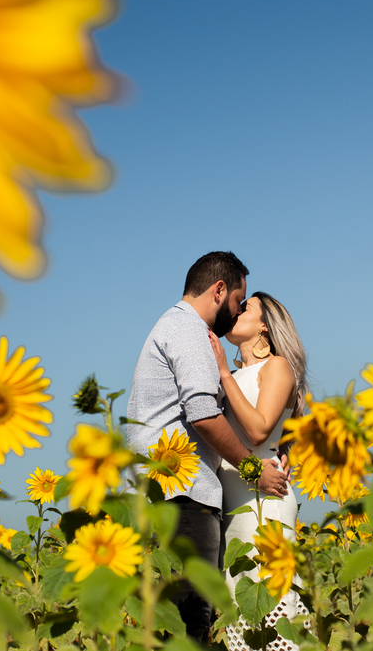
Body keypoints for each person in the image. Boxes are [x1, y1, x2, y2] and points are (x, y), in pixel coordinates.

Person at [125, 252, 290, 643]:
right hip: (182, 495)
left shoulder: (176, 327)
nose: (235, 313)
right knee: (188, 626)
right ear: (219, 291)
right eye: (237, 301)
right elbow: (202, 414)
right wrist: (254, 469)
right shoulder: (189, 330)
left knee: (177, 623)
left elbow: (271, 411)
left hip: (169, 493)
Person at [209, 292, 310, 651]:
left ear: (264, 325)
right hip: (231, 505)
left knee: (274, 620)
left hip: (264, 504)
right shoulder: (235, 375)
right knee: (241, 621)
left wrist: (222, 372)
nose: (234, 311)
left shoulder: (277, 367)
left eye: (244, 307)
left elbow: (257, 431)